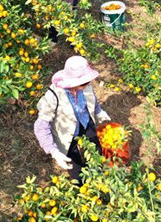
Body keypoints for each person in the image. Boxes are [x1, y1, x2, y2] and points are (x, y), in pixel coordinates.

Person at [33, 56, 111, 184]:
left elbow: (92, 99)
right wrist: (54, 151)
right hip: (66, 133)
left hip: (85, 122)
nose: (87, 84)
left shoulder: (86, 86)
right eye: (84, 82)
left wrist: (98, 111)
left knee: (95, 150)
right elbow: (41, 125)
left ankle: (96, 173)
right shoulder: (54, 95)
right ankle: (83, 186)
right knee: (75, 165)